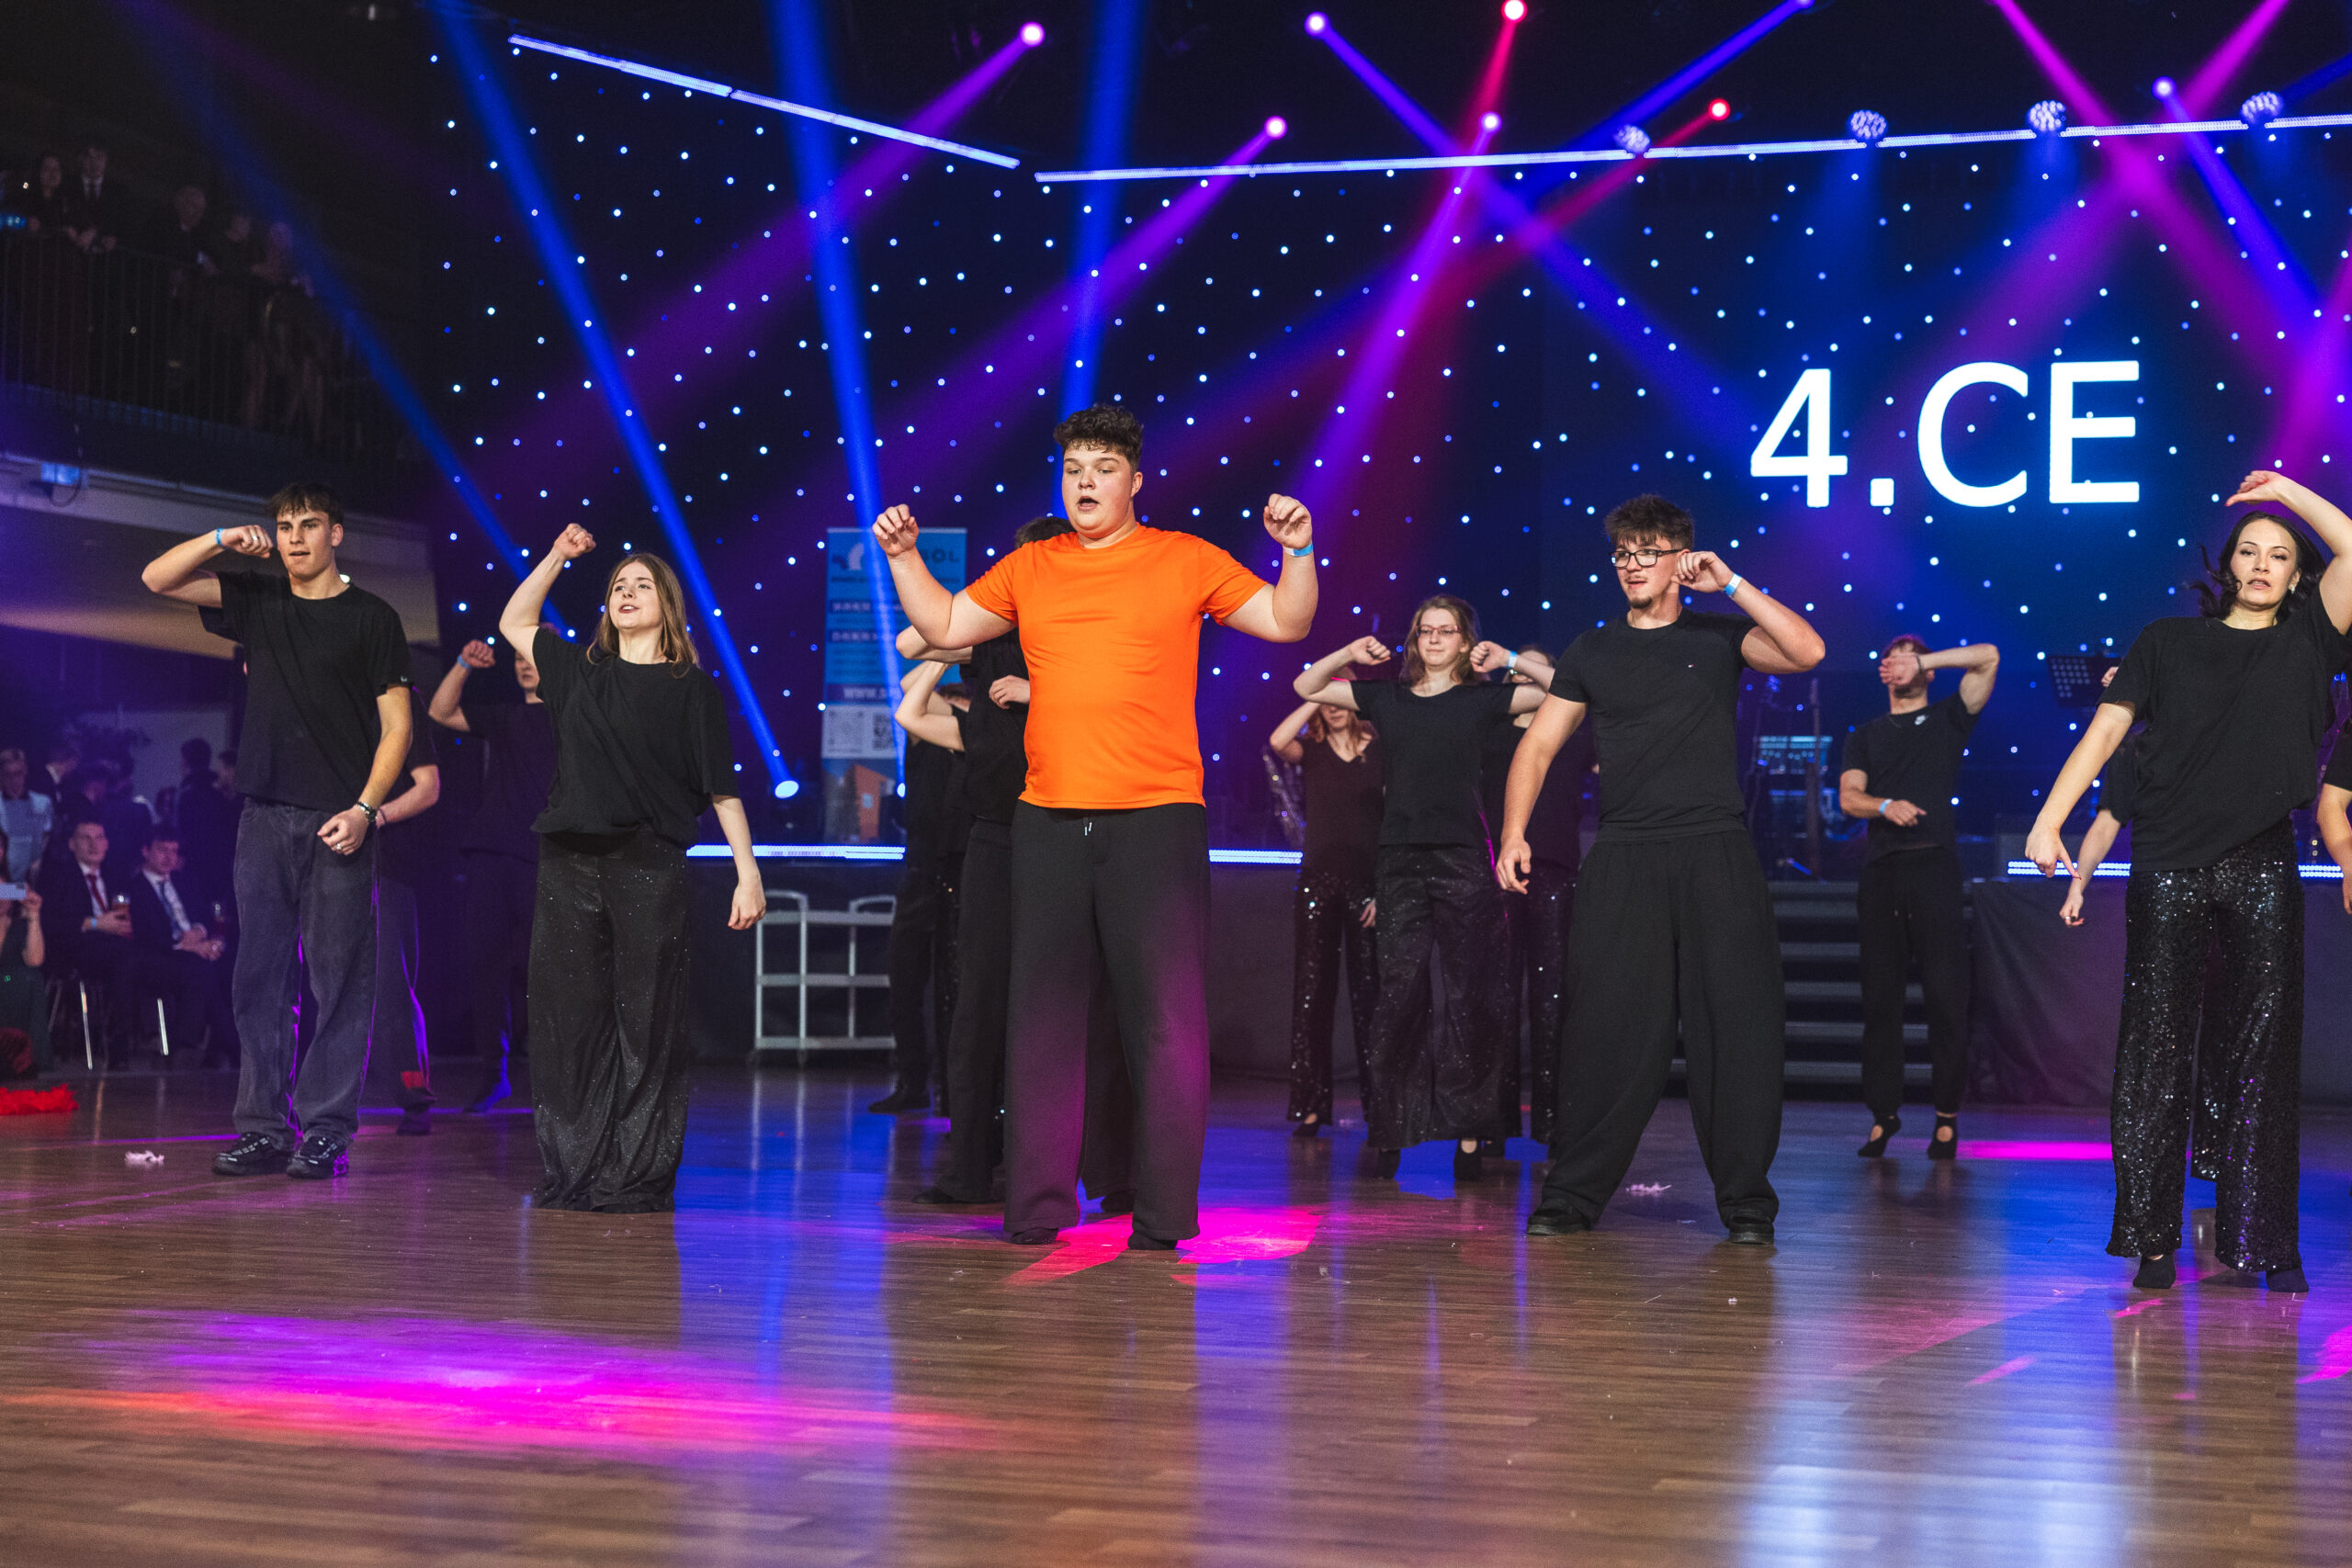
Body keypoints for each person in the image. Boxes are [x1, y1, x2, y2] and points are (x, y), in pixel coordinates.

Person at [873, 403, 1317, 1248]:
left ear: (1135, 480)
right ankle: (1038, 1207)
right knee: (1041, 1016)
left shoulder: (1183, 558)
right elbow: (944, 627)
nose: (1084, 481)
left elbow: (1286, 621)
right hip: (1047, 817)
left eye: (1102, 468)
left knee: (1166, 1021)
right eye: (1073, 468)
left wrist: (1296, 551)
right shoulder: (1032, 565)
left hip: (1156, 817)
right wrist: (903, 558)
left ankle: (1162, 1215)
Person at [2026, 471, 2352, 1294]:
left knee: (2261, 1053)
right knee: (2155, 1047)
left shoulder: (2312, 639)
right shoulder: (2166, 641)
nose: (2262, 563)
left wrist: (2286, 493)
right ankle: (2150, 1239)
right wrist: (2049, 818)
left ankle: (2265, 1240)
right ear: (2227, 565)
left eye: (2280, 555)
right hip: (2168, 861)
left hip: (2262, 861)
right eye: (2249, 550)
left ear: (2297, 575)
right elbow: (2105, 732)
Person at [1501, 494, 1826, 1245]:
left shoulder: (1719, 636)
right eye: (1622, 552)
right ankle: (1571, 1196)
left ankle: (1747, 1204)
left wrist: (1731, 583)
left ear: (1681, 557)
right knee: (1605, 1029)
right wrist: (1513, 830)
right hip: (1625, 856)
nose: (1631, 564)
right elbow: (1538, 746)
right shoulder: (1592, 650)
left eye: (1647, 551)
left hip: (1715, 852)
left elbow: (1807, 650)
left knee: (1736, 1028)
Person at [142, 481, 414, 1180]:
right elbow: (156, 578)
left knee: (339, 981)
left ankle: (326, 1130)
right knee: (258, 979)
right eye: (285, 526)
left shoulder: (372, 617)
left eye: (309, 525)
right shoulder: (257, 599)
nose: (295, 537)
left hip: (338, 820)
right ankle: (263, 1127)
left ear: (335, 534)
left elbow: (398, 728)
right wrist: (221, 538)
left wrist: (365, 810)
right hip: (261, 816)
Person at [498, 525, 762, 1213]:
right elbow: (515, 621)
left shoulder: (690, 688)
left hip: (649, 861)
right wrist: (556, 555)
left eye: (642, 585)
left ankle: (637, 1174)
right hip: (568, 861)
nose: (627, 593)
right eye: (619, 585)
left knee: (647, 1020)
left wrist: (747, 870)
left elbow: (721, 788)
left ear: (668, 604)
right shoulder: (578, 670)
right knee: (568, 1018)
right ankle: (576, 1168)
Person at [1295, 605, 1551, 1179]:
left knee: (1468, 995)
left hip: (1463, 857)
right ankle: (1392, 1129)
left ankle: (1469, 1135)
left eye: (1446, 631)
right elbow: (1305, 686)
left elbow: (1564, 689)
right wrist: (1349, 654)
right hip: (1400, 863)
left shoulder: (1481, 701)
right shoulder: (1387, 698)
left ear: (1464, 642)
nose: (1434, 638)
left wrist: (1509, 658)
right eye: (1425, 630)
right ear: (1414, 641)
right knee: (1398, 996)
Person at [1838, 636, 1999, 1159]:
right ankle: (1883, 1116)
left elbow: (1989, 657)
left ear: (1926, 671)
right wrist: (1884, 805)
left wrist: (1924, 660)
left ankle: (1947, 1117)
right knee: (1880, 1000)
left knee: (1946, 998)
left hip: (1934, 868)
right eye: (1894, 657)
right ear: (1883, 671)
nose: (1901, 663)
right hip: (1882, 873)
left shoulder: (1949, 717)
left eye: (1911, 657)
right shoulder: (1865, 734)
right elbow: (1848, 797)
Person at [427, 635, 559, 1112]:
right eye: (519, 657)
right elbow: (440, 712)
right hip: (490, 850)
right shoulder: (506, 716)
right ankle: (493, 1073)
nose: (524, 665)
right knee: (485, 963)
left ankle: (553, 1076)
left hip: (544, 854)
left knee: (543, 968)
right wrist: (463, 664)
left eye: (533, 657)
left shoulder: (573, 718)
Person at [1477, 642, 1596, 1149]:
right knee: (1497, 998)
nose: (1525, 678)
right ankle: (1493, 1124)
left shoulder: (1574, 736)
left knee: (1551, 1002)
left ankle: (1550, 1125)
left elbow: (1570, 690)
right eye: (1517, 674)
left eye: (1535, 671)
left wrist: (1511, 658)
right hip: (1497, 873)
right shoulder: (1491, 733)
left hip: (1555, 872)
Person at [1267, 673, 1383, 1138]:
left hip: (1366, 887)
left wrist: (1384, 889)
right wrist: (1314, 694)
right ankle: (1311, 1107)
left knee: (1370, 998)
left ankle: (1380, 1109)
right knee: (1312, 995)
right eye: (1326, 699)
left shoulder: (1381, 752)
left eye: (1340, 697)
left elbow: (1394, 821)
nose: (1333, 706)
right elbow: (1278, 741)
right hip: (1317, 883)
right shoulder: (1312, 751)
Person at [871, 682, 969, 1116]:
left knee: (957, 992)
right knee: (905, 985)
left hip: (961, 875)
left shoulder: (975, 743)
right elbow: (914, 690)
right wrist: (950, 650)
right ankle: (913, 1082)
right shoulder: (924, 736)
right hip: (921, 875)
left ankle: (955, 1092)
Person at [365, 689, 439, 1134]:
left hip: (386, 861)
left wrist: (371, 817)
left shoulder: (400, 698)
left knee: (390, 983)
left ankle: (413, 1093)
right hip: (325, 859)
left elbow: (428, 787)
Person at [124, 827, 235, 1062]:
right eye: (162, 850)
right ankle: (206, 1046)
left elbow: (204, 914)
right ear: (146, 851)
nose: (169, 857)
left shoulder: (184, 881)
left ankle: (212, 1046)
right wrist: (187, 946)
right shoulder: (136, 888)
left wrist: (200, 932)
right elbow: (146, 933)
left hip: (196, 947)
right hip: (160, 956)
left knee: (231, 968)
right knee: (201, 971)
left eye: (174, 851)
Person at [38, 819, 136, 1066]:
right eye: (86, 838)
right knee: (126, 959)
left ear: (108, 843)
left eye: (99, 838)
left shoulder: (115, 875)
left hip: (118, 948)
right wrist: (95, 923)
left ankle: (126, 1037)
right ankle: (117, 1042)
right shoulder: (57, 875)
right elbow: (49, 921)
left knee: (136, 958)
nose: (94, 845)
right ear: (72, 844)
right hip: (74, 950)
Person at [173, 738, 240, 915]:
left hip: (193, 868)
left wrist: (180, 855)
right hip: (221, 868)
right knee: (217, 912)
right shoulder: (221, 796)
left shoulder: (187, 795)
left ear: (185, 761)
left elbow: (183, 833)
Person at [0, 885, 48, 1077]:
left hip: (11, 981)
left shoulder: (18, 923)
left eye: (4, 890)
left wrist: (33, 915)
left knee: (29, 978)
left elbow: (35, 960)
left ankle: (27, 1057)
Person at [0, 749, 55, 886]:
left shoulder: (43, 803)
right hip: (5, 885)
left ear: (25, 771)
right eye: (7, 775)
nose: (13, 780)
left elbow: (46, 843)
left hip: (37, 880)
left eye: (18, 773)